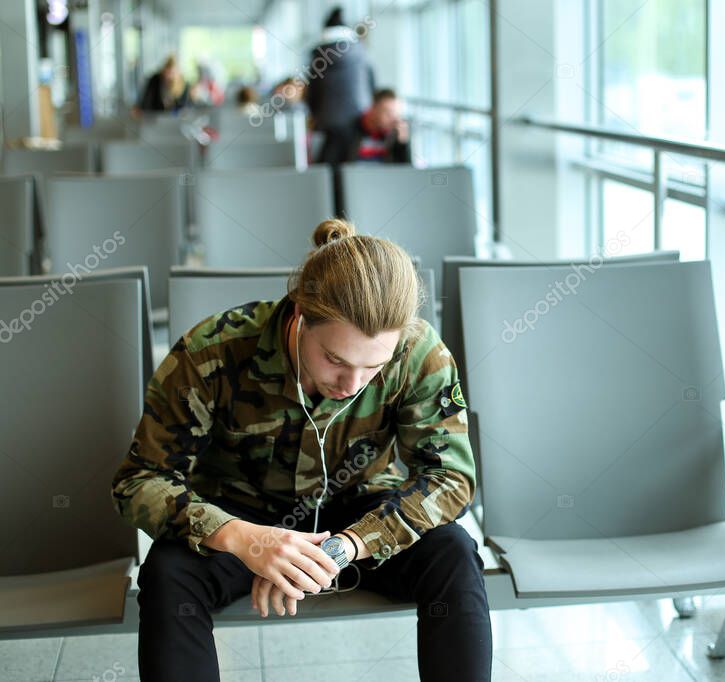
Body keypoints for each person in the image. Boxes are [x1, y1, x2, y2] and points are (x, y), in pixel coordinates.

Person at [111, 218, 493, 682]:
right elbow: (139, 479)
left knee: (453, 550)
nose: (351, 384)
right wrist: (245, 538)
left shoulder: (418, 353)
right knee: (169, 573)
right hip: (240, 515)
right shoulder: (213, 351)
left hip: (358, 514)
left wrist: (345, 546)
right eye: (334, 359)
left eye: (373, 366)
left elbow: (450, 478)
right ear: (299, 317)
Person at [304, 7, 375, 164]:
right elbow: (371, 82)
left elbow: (312, 93)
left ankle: (325, 186)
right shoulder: (360, 52)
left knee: (328, 160)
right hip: (358, 114)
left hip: (327, 117)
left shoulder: (317, 56)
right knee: (352, 159)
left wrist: (315, 114)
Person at [349, 88, 412, 163]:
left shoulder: (394, 134)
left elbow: (404, 171)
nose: (394, 119)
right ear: (373, 109)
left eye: (397, 114)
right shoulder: (349, 130)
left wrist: (402, 144)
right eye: (388, 113)